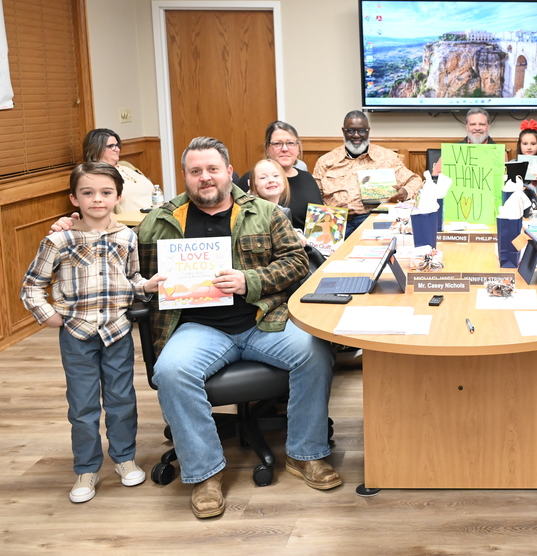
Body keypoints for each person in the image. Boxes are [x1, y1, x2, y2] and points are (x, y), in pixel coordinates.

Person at [137, 137, 340, 518]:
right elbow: (129, 269)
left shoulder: (265, 212)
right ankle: (204, 474)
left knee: (315, 351)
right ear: (185, 177)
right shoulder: (159, 222)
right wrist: (143, 283)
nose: (205, 178)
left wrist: (251, 280)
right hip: (198, 327)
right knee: (170, 370)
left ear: (230, 173)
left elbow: (297, 262)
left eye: (212, 169)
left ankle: (305, 454)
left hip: (262, 318)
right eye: (195, 171)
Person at [22, 162, 163, 504]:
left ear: (117, 197)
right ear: (74, 198)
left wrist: (148, 285)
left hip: (116, 332)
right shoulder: (59, 239)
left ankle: (124, 458)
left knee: (121, 400)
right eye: (88, 193)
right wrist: (48, 316)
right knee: (83, 406)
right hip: (77, 334)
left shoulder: (127, 237)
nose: (97, 199)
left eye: (105, 193)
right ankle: (86, 468)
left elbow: (130, 281)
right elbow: (32, 286)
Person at [313, 111, 423, 238]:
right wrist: (333, 213)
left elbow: (416, 180)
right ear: (343, 131)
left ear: (368, 131)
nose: (356, 135)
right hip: (336, 221)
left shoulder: (386, 158)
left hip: (373, 218)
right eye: (351, 131)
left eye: (361, 131)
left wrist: (405, 192)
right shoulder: (325, 162)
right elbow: (315, 198)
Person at [233, 121, 322, 231]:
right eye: (277, 144)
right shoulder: (251, 178)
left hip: (309, 246)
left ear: (298, 148)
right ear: (267, 148)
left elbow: (319, 222)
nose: (285, 149)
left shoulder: (307, 178)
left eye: (290, 143)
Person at [82, 128, 156, 212]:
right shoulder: (95, 175)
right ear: (97, 149)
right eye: (111, 146)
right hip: (131, 223)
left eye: (117, 145)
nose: (117, 149)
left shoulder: (126, 165)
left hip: (154, 214)